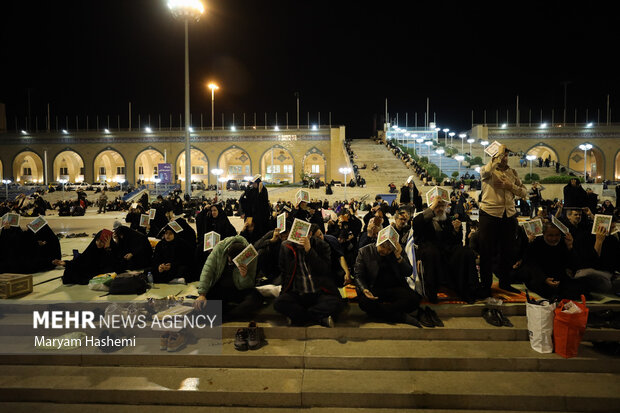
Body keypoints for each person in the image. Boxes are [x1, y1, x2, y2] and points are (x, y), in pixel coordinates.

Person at [478, 144, 527, 296]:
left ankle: (505, 283)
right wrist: (495, 160)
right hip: (489, 214)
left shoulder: (512, 172)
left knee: (508, 251)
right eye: (502, 155)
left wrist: (509, 186)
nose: (505, 158)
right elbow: (485, 172)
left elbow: (524, 192)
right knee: (486, 252)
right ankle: (485, 286)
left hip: (509, 215)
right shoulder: (488, 170)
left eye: (506, 155)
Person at [413, 197, 480, 303]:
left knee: (465, 252)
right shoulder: (423, 218)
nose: (440, 209)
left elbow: (455, 241)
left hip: (446, 249)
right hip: (429, 248)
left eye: (442, 206)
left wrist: (456, 230)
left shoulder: (447, 219)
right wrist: (433, 206)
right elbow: (416, 224)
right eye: (437, 206)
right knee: (432, 253)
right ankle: (432, 293)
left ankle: (466, 290)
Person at [273, 234, 343, 327]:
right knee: (279, 303)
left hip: (318, 292)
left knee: (336, 303)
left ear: (310, 234)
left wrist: (309, 251)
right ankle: (319, 319)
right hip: (298, 293)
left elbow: (324, 270)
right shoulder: (286, 246)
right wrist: (283, 293)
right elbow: (285, 273)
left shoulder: (321, 245)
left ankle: (300, 318)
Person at [354, 236, 422, 326]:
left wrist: (399, 257)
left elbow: (408, 272)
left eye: (389, 250)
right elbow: (358, 275)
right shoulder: (365, 251)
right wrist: (364, 289)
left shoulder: (398, 250)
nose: (385, 252)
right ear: (378, 242)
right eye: (382, 247)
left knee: (414, 299)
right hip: (374, 287)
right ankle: (401, 317)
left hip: (395, 287)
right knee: (364, 302)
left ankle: (382, 313)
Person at [194, 235, 263, 321]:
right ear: (227, 251)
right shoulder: (220, 248)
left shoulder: (249, 256)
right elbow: (208, 270)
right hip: (221, 288)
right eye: (229, 259)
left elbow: (248, 285)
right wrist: (202, 294)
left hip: (239, 289)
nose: (230, 262)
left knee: (256, 298)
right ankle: (231, 314)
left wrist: (244, 276)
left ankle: (225, 316)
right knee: (201, 305)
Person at [523, 222, 588, 300]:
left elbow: (574, 265)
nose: (554, 238)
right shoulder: (536, 244)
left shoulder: (564, 243)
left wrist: (570, 247)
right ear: (543, 234)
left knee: (583, 288)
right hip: (540, 278)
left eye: (557, 235)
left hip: (559, 278)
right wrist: (545, 279)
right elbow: (532, 266)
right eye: (550, 235)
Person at [56, 229, 120, 285]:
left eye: (102, 241)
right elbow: (81, 260)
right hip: (91, 270)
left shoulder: (112, 249)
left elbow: (115, 264)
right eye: (97, 240)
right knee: (70, 270)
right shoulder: (93, 247)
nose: (98, 243)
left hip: (103, 271)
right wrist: (65, 263)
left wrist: (108, 249)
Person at [239, 175, 271, 240]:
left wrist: (260, 191)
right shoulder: (251, 190)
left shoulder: (263, 190)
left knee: (259, 233)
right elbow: (246, 199)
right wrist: (248, 186)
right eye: (253, 183)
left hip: (260, 218)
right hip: (251, 216)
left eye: (255, 183)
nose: (253, 185)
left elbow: (262, 203)